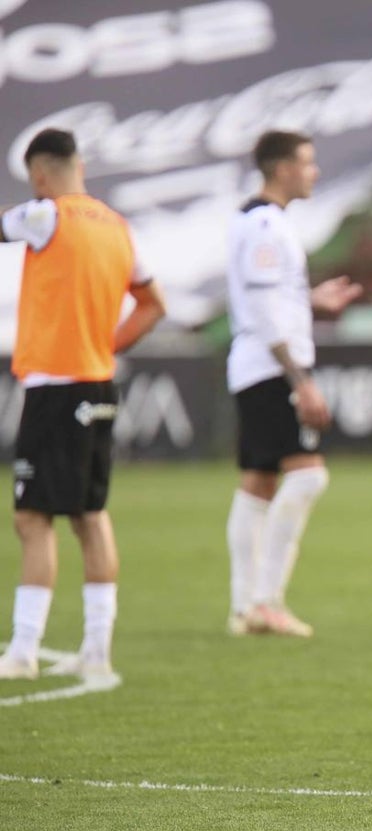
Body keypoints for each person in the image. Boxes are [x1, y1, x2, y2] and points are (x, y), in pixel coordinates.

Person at [0, 128, 166, 680]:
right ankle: (96, 649)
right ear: (82, 164)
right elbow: (151, 304)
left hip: (54, 387)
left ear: (40, 174)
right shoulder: (118, 227)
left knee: (32, 515)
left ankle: (23, 650)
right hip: (97, 383)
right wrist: (104, 344)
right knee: (90, 515)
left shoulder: (46, 216)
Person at [224, 130, 361, 638]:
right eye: (307, 162)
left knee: (259, 482)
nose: (314, 171)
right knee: (307, 476)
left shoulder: (254, 220)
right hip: (271, 368)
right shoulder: (266, 225)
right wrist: (300, 380)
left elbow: (269, 299)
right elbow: (262, 308)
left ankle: (245, 606)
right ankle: (266, 600)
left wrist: (310, 301)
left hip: (253, 364)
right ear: (281, 168)